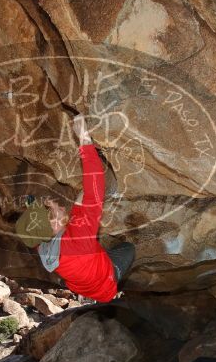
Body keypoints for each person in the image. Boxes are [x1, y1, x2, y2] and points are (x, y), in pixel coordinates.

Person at [15, 115, 135, 303]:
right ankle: (114, 284)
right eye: (52, 215)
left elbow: (35, 231)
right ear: (53, 228)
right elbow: (94, 189)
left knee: (82, 211)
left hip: (83, 281)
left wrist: (37, 206)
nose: (58, 209)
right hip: (107, 281)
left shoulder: (43, 249)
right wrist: (84, 138)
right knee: (128, 249)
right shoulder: (78, 240)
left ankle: (91, 289)